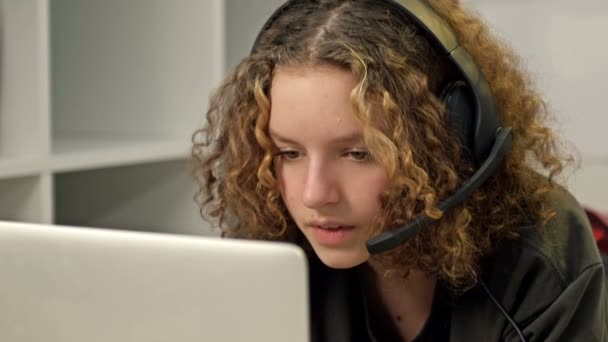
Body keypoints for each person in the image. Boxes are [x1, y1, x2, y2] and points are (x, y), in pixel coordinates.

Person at [190, 0, 607, 341]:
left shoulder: (541, 249)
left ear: (449, 139)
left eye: (358, 154)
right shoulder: (272, 242)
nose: (315, 195)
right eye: (288, 153)